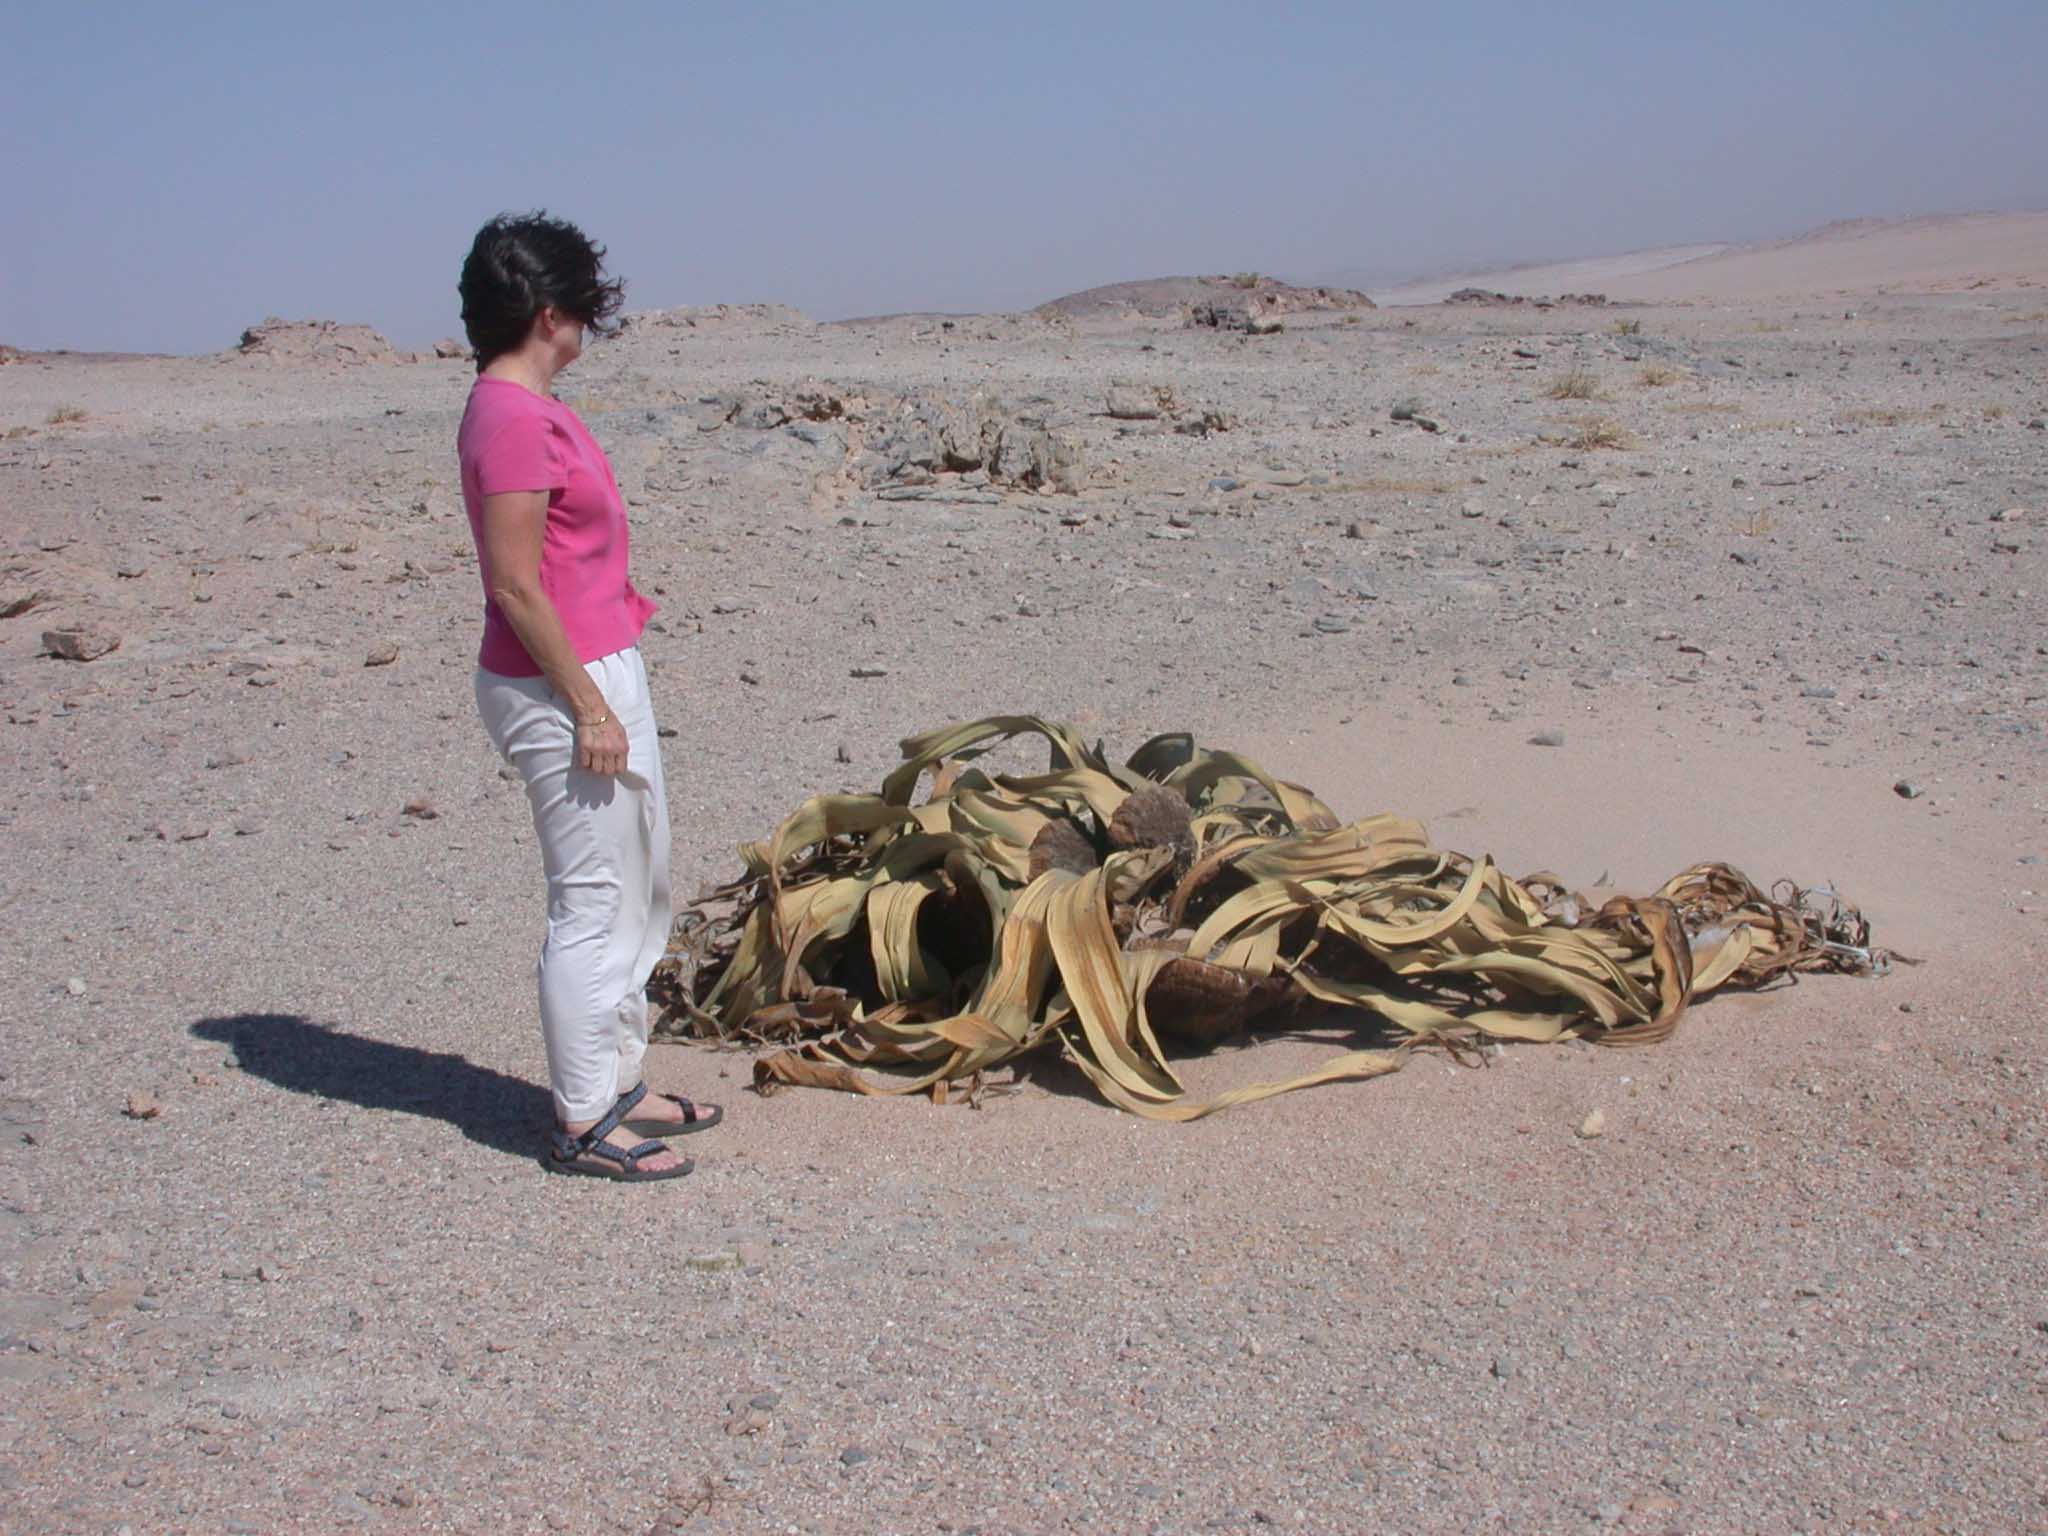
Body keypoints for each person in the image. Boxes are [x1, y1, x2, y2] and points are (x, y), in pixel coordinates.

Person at [455, 212, 720, 1181]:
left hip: (594, 663)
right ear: (550, 314)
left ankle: (616, 1079)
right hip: (557, 682)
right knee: (593, 900)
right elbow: (516, 584)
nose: (589, 330)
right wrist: (589, 709)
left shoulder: (529, 406)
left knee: (640, 882)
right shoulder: (513, 418)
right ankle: (578, 1120)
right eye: (583, 313)